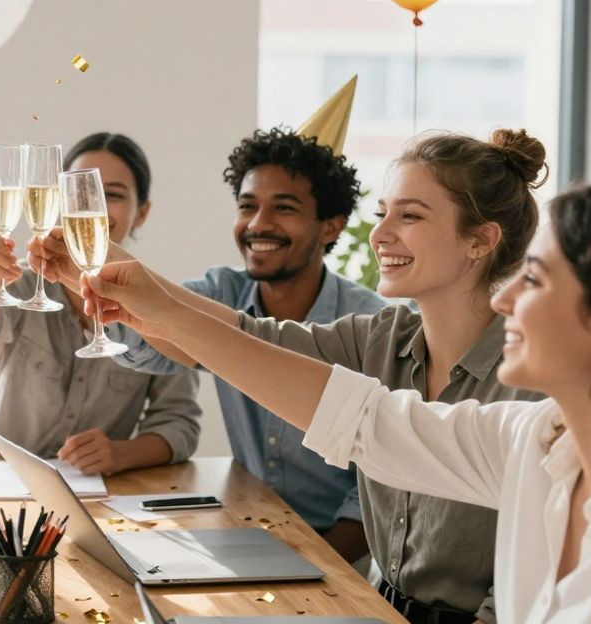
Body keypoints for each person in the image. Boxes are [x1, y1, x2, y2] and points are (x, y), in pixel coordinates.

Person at [83, 182, 591, 623]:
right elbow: (359, 420)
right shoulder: (530, 441)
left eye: (534, 280)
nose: (507, 300)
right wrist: (154, 304)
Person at [40, 129, 548, 623]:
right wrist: (109, 272)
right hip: (373, 606)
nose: (381, 234)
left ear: (480, 240)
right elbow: (255, 342)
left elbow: (531, 580)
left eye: (410, 216)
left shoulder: (533, 380)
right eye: (382, 213)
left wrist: (138, 293)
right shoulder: (382, 336)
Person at [32, 125, 385, 562]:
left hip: (340, 554)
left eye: (284, 208)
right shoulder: (222, 292)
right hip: (251, 532)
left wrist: (319, 565)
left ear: (331, 226)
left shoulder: (368, 324)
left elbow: (376, 491)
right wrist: (90, 276)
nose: (259, 224)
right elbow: (150, 347)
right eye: (247, 206)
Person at [0, 133, 201, 475]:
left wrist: (122, 453)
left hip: (93, 500)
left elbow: (180, 424)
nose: (91, 206)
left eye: (111, 195)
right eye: (78, 192)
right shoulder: (20, 282)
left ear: (142, 212)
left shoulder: (162, 306)